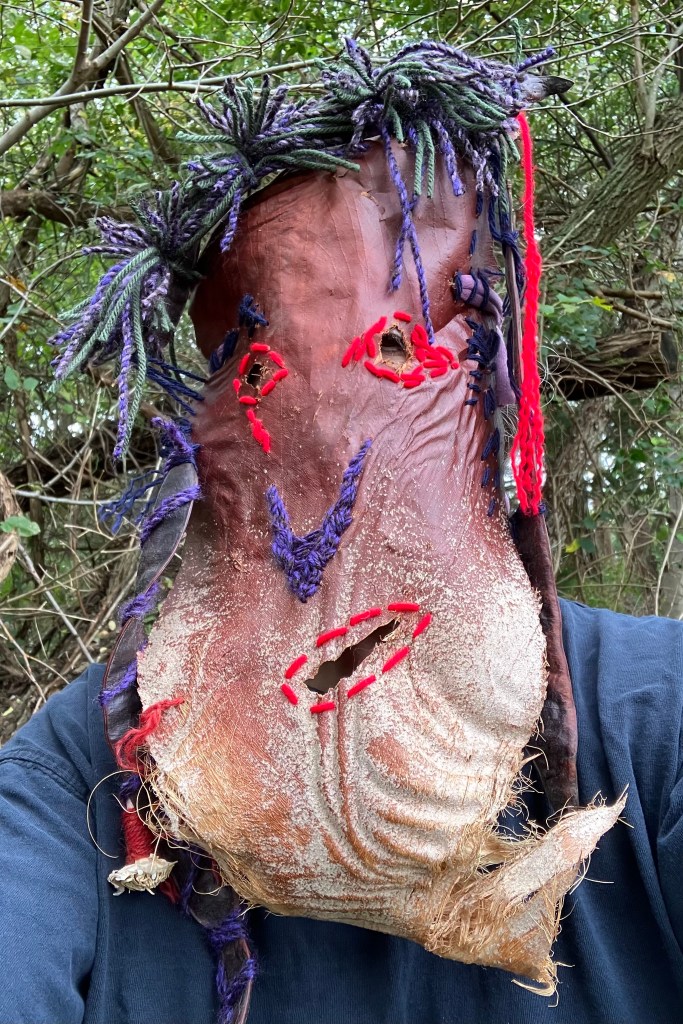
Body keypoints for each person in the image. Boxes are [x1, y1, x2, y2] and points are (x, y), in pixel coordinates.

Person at [1, 38, 682, 1024]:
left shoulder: (656, 722)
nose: (330, 422)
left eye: (396, 351)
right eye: (259, 369)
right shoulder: (78, 787)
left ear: (486, 391)